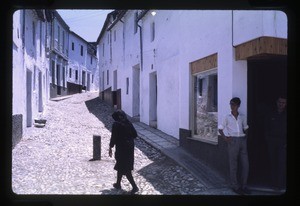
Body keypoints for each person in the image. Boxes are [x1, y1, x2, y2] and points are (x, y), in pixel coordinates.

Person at [218, 97, 250, 195]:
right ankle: (235, 186)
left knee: (245, 165)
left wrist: (245, 137)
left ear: (238, 106)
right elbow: (220, 128)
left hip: (242, 141)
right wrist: (225, 138)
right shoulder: (227, 117)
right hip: (232, 141)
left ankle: (244, 186)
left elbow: (246, 127)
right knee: (233, 165)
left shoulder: (242, 117)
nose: (232, 106)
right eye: (231, 104)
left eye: (234, 104)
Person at [109, 109, 139, 194]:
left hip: (122, 148)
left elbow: (113, 137)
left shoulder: (116, 124)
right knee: (120, 165)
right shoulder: (128, 122)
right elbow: (135, 134)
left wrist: (110, 147)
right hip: (129, 148)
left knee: (125, 168)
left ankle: (135, 187)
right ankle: (118, 184)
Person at [264, 95, 287, 191]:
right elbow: (266, 127)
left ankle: (280, 185)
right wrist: (268, 139)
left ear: (286, 104)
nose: (281, 104)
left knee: (281, 163)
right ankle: (273, 184)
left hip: (283, 142)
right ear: (276, 103)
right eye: (280, 102)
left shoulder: (286, 115)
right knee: (272, 162)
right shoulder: (271, 114)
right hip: (272, 142)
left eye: (283, 103)